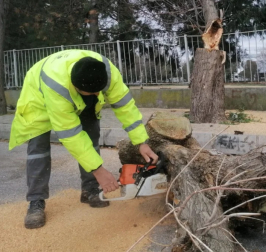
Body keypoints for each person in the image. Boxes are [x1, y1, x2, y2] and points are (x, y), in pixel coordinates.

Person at [9, 49, 158, 229]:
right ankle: (36, 202)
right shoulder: (56, 86)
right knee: (38, 150)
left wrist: (142, 141)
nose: (97, 95)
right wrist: (98, 170)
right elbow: (71, 135)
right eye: (92, 92)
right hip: (38, 97)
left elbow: (125, 106)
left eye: (99, 92)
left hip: (76, 85)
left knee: (91, 137)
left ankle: (89, 190)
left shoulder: (107, 72)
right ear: (76, 89)